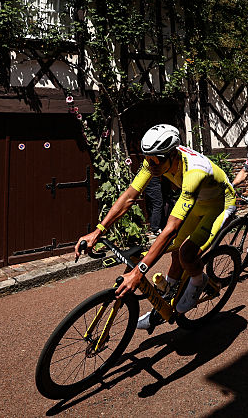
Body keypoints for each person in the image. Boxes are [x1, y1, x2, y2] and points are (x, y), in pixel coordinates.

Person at [73, 124, 236, 330]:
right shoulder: (153, 160)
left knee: (186, 253)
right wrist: (98, 231)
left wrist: (139, 271)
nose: (152, 165)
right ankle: (167, 299)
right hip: (198, 203)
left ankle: (198, 280)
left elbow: (171, 229)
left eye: (157, 160)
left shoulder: (194, 172)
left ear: (173, 154)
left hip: (220, 205)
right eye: (147, 158)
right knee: (174, 253)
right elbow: (129, 197)